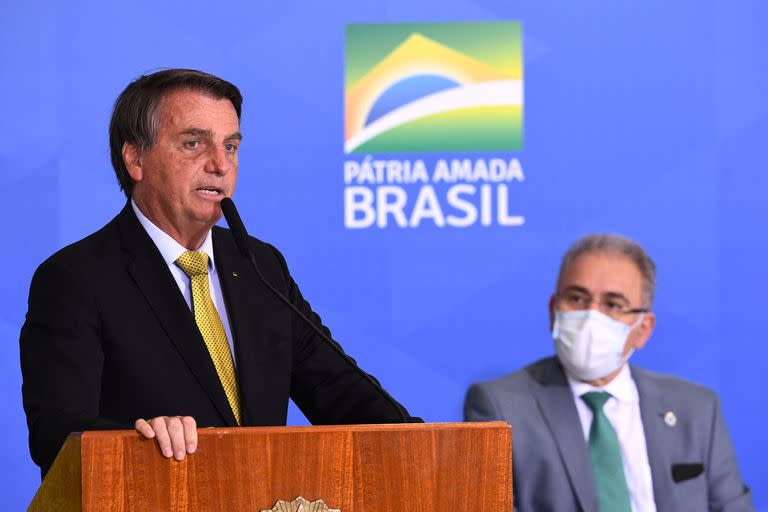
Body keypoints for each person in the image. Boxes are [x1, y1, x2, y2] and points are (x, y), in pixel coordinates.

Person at [20, 68, 417, 478]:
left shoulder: (260, 265)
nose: (220, 165)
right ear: (135, 158)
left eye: (230, 146)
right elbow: (55, 434)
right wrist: (138, 441)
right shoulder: (75, 278)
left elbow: (339, 393)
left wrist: (426, 443)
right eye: (194, 143)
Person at [464, 234, 753, 512]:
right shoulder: (500, 406)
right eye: (577, 299)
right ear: (554, 310)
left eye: (613, 305)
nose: (592, 315)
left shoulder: (697, 408)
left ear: (644, 328)